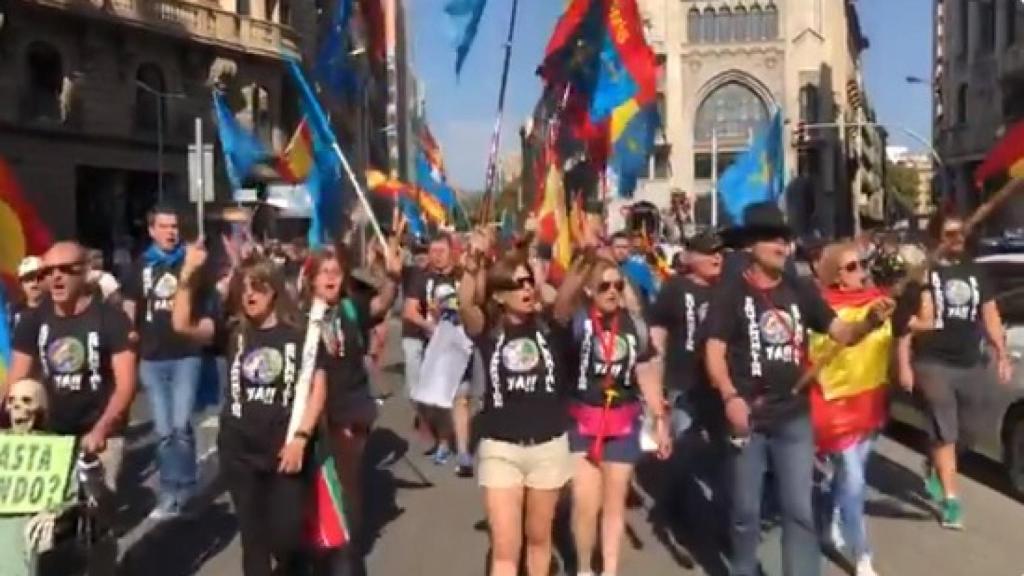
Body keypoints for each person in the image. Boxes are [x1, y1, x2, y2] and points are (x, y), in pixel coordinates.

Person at [703, 202, 894, 576]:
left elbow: (842, 333)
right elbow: (714, 351)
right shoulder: (731, 293)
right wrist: (729, 396)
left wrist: (870, 321)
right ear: (752, 246)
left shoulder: (800, 290)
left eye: (785, 239)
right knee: (745, 512)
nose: (782, 246)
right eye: (773, 238)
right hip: (748, 418)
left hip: (793, 418)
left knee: (798, 511)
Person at [172, 244, 326, 576]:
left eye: (259, 287)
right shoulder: (232, 330)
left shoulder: (300, 334)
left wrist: (301, 438)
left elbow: (318, 388)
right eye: (244, 288)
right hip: (240, 450)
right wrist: (187, 276)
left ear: (275, 291)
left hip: (285, 450)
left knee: (286, 537)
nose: (250, 295)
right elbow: (183, 325)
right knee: (253, 541)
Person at [5, 241, 137, 571]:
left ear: (86, 273)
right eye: (48, 272)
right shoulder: (33, 320)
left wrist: (102, 429)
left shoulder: (110, 318)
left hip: (100, 431)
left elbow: (125, 385)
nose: (56, 278)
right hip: (52, 435)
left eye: (66, 270)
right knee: (43, 518)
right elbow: (16, 379)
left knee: (97, 517)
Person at [458, 236, 572, 576]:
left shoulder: (550, 325)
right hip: (501, 448)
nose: (526, 289)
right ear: (498, 295)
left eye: (528, 282)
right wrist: (472, 267)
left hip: (548, 447)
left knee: (539, 539)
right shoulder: (489, 330)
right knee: (506, 547)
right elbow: (466, 305)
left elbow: (564, 297)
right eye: (517, 284)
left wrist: (540, 275)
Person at [555, 254, 671, 576]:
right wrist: (581, 269)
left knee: (614, 502)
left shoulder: (635, 325)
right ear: (589, 290)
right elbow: (559, 308)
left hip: (622, 420)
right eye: (603, 286)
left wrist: (660, 420)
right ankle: (583, 568)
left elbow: (646, 373)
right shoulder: (577, 321)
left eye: (617, 285)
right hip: (583, 420)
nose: (611, 292)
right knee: (585, 503)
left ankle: (609, 570)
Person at [300, 238, 401, 572]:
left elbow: (381, 304)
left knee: (346, 479)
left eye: (336, 271)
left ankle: (346, 545)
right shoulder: (300, 316)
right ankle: (316, 544)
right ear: (311, 279)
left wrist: (392, 277)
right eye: (324, 272)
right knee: (310, 483)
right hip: (308, 411)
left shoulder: (351, 307)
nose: (331, 278)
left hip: (349, 405)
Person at [908, 213, 1010, 530]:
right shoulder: (925, 272)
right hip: (933, 361)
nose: (957, 239)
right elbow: (906, 318)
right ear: (937, 238)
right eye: (950, 234)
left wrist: (1001, 353)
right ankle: (952, 501)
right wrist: (904, 359)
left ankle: (935, 462)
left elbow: (990, 314)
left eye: (961, 233)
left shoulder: (975, 272)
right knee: (945, 430)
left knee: (967, 432)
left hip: (970, 361)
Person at [808, 243, 898, 576]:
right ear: (835, 276)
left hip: (870, 402)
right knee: (856, 481)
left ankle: (830, 520)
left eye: (861, 264)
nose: (861, 271)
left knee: (848, 479)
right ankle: (862, 555)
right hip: (836, 406)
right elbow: (817, 354)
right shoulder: (820, 309)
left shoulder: (880, 303)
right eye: (851, 267)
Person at [123, 205, 212, 519]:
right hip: (152, 357)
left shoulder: (191, 261)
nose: (170, 232)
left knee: (180, 425)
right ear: (152, 231)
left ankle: (184, 487)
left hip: (186, 354)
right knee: (163, 430)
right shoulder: (141, 265)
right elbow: (130, 304)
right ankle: (168, 490)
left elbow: (208, 300)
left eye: (174, 226)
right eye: (163, 226)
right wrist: (129, 335)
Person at [404, 234, 474, 475]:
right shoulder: (422, 278)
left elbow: (473, 305)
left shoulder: (462, 277)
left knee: (460, 398)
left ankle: (463, 452)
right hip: (431, 346)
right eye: (432, 251)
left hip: (459, 344)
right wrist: (430, 325)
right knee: (435, 399)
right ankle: (443, 439)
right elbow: (410, 311)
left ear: (452, 252)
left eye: (441, 251)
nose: (436, 256)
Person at [12, 256, 45, 328]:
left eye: (40, 276)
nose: (35, 281)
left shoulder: (55, 311)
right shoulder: (13, 312)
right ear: (21, 284)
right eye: (29, 277)